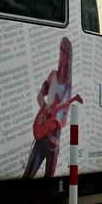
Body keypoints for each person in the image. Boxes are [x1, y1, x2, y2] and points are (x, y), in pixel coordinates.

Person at [23, 37, 82, 179]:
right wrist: (46, 108)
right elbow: (39, 96)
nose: (62, 55)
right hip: (42, 134)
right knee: (28, 174)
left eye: (66, 51)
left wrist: (56, 120)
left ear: (69, 57)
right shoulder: (52, 75)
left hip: (54, 139)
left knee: (49, 177)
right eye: (61, 50)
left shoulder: (69, 86)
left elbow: (64, 121)